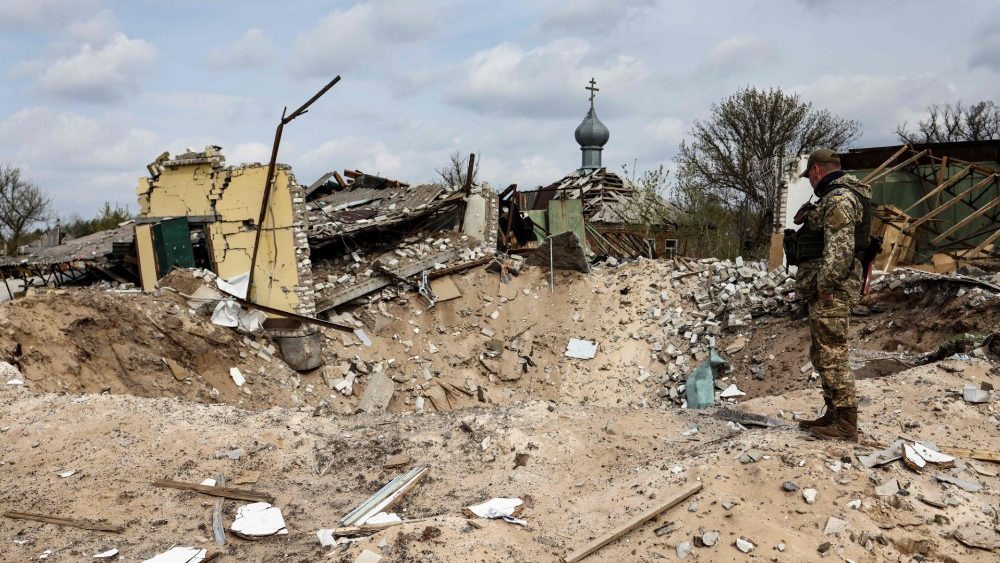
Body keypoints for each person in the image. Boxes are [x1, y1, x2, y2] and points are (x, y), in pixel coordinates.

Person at [792, 148, 872, 442]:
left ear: (816, 170)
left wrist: (824, 286)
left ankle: (846, 425)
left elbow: (840, 251)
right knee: (821, 352)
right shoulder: (847, 194)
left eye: (809, 177)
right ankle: (834, 414)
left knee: (832, 353)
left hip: (832, 290)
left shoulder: (839, 197)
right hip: (830, 287)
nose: (810, 183)